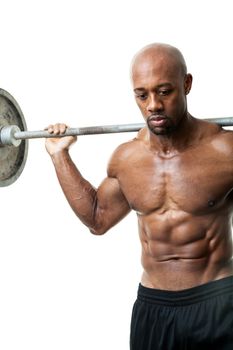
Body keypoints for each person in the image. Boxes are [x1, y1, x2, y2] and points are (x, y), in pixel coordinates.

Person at [45, 43, 233, 349]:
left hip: (218, 303)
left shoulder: (225, 150)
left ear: (187, 84)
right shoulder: (127, 159)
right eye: (142, 94)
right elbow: (97, 219)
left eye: (164, 91)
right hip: (153, 308)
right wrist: (59, 156)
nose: (153, 105)